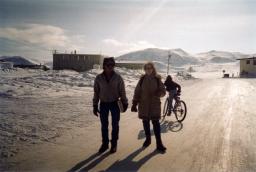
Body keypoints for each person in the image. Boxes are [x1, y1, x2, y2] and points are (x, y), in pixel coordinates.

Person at [93, 57, 128, 154]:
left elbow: (122, 91)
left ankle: (114, 144)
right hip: (103, 104)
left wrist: (125, 102)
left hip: (115, 104)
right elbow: (96, 92)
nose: (110, 67)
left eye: (112, 65)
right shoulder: (99, 78)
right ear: (104, 66)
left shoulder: (118, 78)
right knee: (104, 125)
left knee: (115, 125)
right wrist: (95, 105)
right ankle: (105, 144)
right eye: (108, 65)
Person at [131, 62, 167, 152]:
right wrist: (134, 103)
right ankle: (148, 139)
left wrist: (159, 93)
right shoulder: (142, 79)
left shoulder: (157, 79)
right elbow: (137, 91)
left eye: (150, 68)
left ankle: (159, 143)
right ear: (144, 69)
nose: (148, 70)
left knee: (156, 124)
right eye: (146, 68)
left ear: (153, 68)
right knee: (145, 123)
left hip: (154, 105)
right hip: (144, 105)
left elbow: (163, 90)